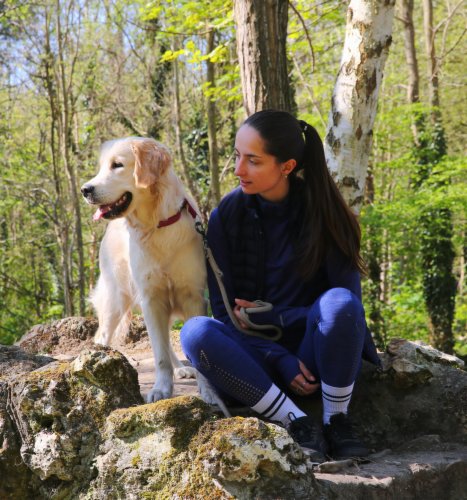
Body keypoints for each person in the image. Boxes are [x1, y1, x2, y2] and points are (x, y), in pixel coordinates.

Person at [180, 109, 381, 462]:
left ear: (286, 166)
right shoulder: (227, 216)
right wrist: (279, 358)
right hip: (252, 364)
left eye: (253, 160)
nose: (239, 169)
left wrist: (279, 317)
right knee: (195, 332)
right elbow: (225, 316)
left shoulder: (327, 214)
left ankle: (336, 420)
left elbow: (348, 310)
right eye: (237, 156)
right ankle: (296, 422)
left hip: (317, 358)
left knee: (339, 302)